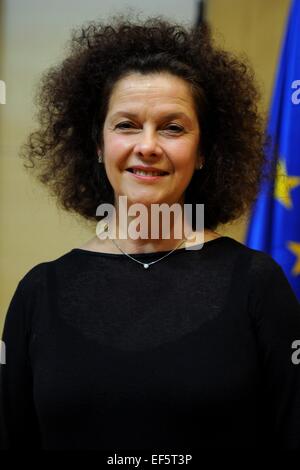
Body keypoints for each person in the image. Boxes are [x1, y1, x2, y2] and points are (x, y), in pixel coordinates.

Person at [1, 14, 300, 451]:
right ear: (99, 144)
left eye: (173, 127)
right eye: (126, 125)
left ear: (203, 153)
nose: (147, 145)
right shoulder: (38, 293)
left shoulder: (258, 286)